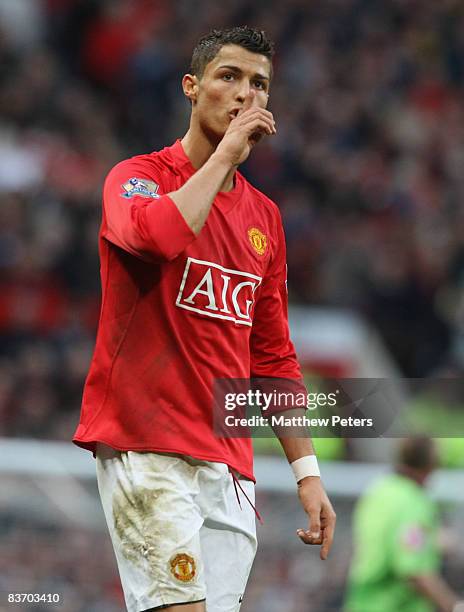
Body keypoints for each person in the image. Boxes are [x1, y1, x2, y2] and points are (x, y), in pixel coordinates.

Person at [73, 26, 336, 612]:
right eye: (229, 77)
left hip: (229, 469)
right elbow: (157, 238)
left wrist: (308, 474)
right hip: (147, 451)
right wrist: (223, 157)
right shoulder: (136, 178)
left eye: (260, 85)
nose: (246, 95)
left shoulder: (264, 218)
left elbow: (272, 358)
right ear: (191, 88)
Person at [345, 437, 464, 612]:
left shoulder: (380, 490)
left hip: (362, 602)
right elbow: (413, 569)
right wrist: (453, 605)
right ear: (431, 465)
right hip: (394, 605)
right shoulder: (413, 503)